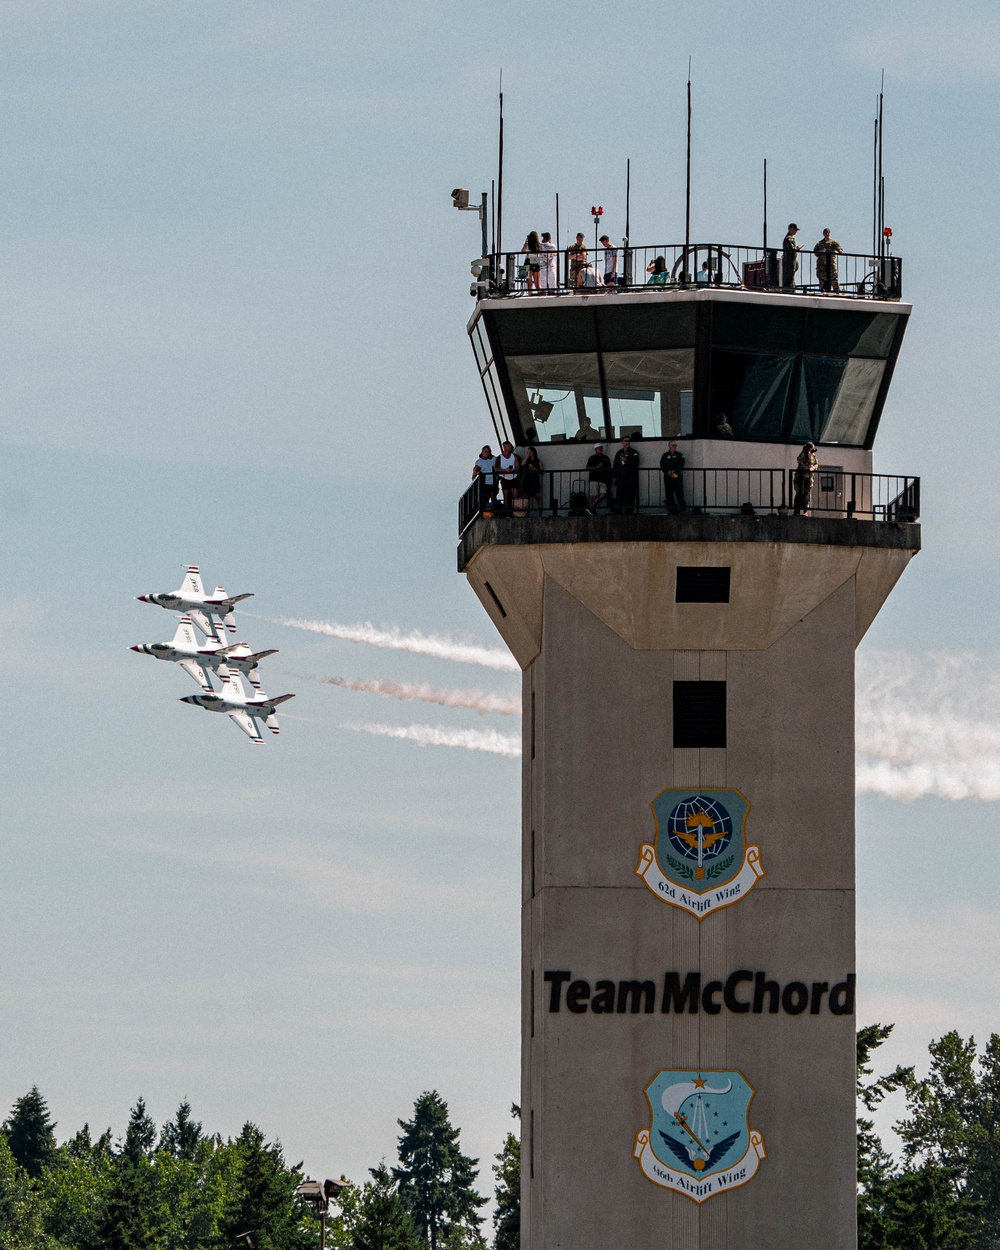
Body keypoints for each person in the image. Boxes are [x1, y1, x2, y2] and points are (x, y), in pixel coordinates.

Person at [613, 436, 641, 513]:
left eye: (629, 441)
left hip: (630, 477)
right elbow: (615, 465)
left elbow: (636, 464)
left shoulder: (634, 452)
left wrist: (627, 460)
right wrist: (614, 477)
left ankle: (629, 511)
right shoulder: (619, 453)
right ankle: (618, 510)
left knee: (630, 494)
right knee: (620, 494)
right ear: (622, 442)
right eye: (625, 441)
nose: (627, 442)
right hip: (621, 477)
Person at [660, 440, 686, 514]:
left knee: (679, 491)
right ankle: (671, 509)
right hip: (668, 476)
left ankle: (682, 508)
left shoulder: (679, 455)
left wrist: (674, 470)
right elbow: (662, 464)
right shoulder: (665, 455)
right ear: (669, 446)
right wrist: (667, 471)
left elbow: (681, 464)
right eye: (673, 445)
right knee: (669, 492)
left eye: (675, 445)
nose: (675, 447)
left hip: (676, 475)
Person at [814, 228, 843, 294]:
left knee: (834, 277)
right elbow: (815, 251)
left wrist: (840, 250)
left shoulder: (833, 242)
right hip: (822, 264)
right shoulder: (820, 243)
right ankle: (823, 290)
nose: (827, 234)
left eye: (828, 233)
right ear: (823, 234)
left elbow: (838, 247)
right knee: (822, 278)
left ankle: (837, 291)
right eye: (825, 233)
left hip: (831, 263)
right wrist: (821, 252)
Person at [793, 441, 818, 514]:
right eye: (812, 448)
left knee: (807, 494)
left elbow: (816, 463)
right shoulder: (803, 455)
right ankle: (796, 511)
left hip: (809, 477)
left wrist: (813, 467)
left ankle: (805, 511)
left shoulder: (813, 456)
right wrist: (807, 467)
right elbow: (800, 461)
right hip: (800, 477)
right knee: (799, 493)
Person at [586, 444, 613, 511]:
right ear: (595, 449)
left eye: (601, 448)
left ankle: (591, 507)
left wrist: (611, 478)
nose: (600, 449)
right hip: (594, 478)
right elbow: (587, 467)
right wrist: (597, 467)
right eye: (599, 448)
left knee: (603, 494)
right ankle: (593, 511)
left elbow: (609, 468)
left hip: (603, 479)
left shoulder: (606, 458)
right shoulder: (592, 458)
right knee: (594, 495)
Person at [496, 440, 521, 511]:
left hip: (514, 477)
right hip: (504, 478)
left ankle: (516, 510)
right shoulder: (499, 457)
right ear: (504, 447)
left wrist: (513, 470)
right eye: (508, 446)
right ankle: (507, 511)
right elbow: (496, 469)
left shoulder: (514, 456)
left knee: (515, 495)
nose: (510, 447)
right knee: (506, 495)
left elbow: (517, 467)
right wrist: (505, 470)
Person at [519, 445, 544, 514]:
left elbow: (542, 471)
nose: (527, 452)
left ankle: (540, 513)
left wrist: (534, 469)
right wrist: (526, 457)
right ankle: (527, 513)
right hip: (527, 480)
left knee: (538, 497)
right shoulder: (527, 461)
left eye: (529, 451)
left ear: (532, 452)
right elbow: (522, 464)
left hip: (535, 480)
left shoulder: (538, 461)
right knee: (526, 497)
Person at [473, 445, 497, 511]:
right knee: (485, 497)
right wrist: (476, 473)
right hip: (484, 482)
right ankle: (484, 510)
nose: (487, 453)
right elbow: (476, 469)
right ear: (482, 452)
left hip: (491, 481)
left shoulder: (490, 461)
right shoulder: (479, 461)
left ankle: (493, 510)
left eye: (488, 451)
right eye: (485, 451)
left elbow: (494, 469)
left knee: (493, 496)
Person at [782, 223, 802, 289]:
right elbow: (792, 250)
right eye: (795, 230)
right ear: (791, 229)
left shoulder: (789, 238)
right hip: (789, 263)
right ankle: (788, 290)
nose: (796, 231)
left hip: (790, 262)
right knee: (789, 279)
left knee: (791, 278)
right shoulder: (789, 238)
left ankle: (791, 289)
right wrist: (798, 247)